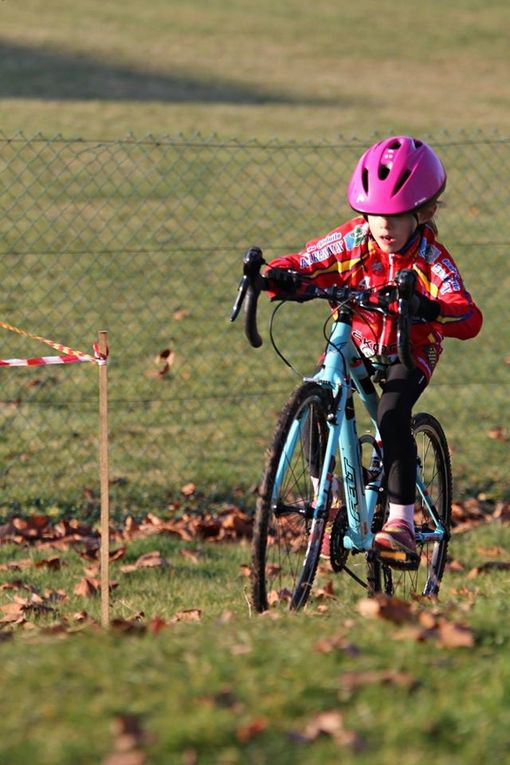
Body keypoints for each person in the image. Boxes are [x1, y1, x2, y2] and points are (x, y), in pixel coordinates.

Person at [264, 135, 483, 555]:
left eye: (397, 216)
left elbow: (468, 315)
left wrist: (429, 308)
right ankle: (323, 505)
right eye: (374, 213)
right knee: (318, 394)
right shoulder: (355, 239)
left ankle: (401, 520)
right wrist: (272, 275)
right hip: (356, 339)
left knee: (391, 412)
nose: (383, 225)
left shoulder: (431, 259)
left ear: (424, 212)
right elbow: (306, 261)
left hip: (410, 348)